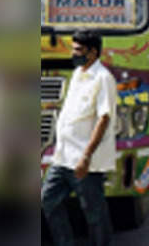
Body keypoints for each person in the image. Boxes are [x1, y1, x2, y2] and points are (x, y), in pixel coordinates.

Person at [42, 30, 116, 246]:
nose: (73, 54)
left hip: (85, 161)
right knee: (48, 199)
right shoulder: (77, 74)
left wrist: (86, 156)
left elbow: (104, 119)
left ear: (93, 52)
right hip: (63, 156)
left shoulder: (103, 79)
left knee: (94, 213)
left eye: (78, 50)